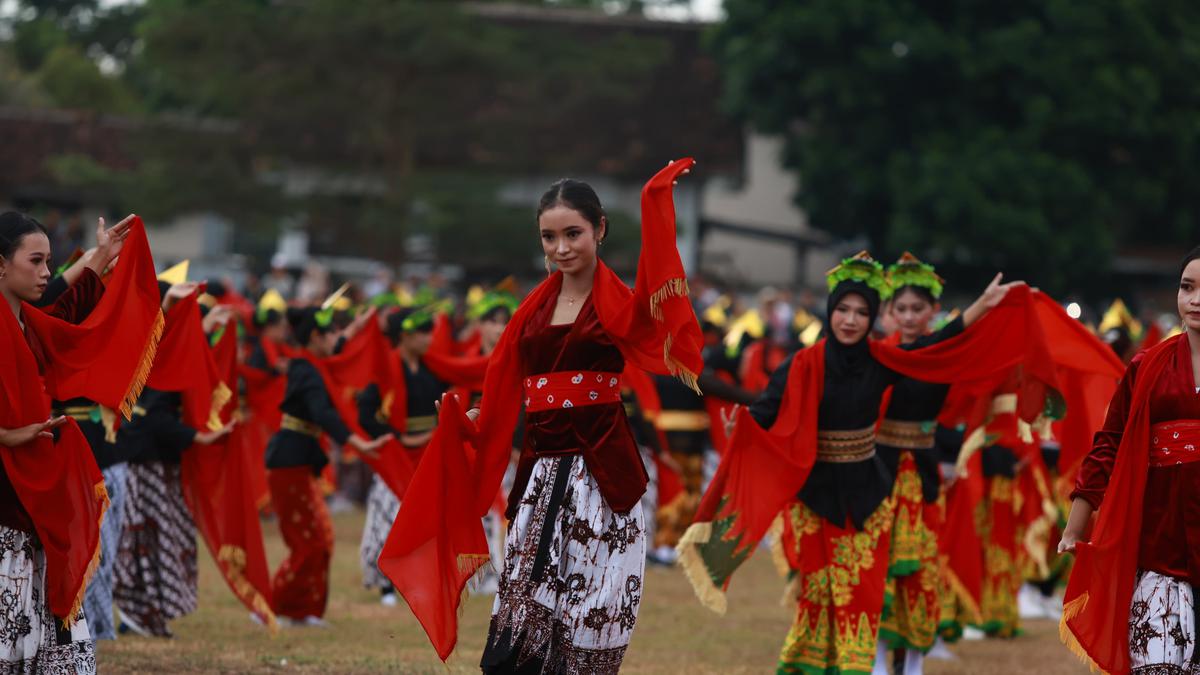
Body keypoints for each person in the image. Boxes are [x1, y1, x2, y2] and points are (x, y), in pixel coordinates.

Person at [380, 159, 704, 671]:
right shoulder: (531, 311)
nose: (561, 249)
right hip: (540, 479)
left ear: (599, 229)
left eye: (573, 233)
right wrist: (469, 417)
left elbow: (657, 304)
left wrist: (654, 206)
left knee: (591, 612)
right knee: (523, 620)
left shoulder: (618, 305)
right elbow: (509, 387)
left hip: (603, 481)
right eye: (549, 238)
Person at [0, 211, 150, 672]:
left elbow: (62, 298)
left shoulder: (29, 321)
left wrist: (103, 254)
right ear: (1, 265)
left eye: (49, 261)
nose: (47, 271)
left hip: (33, 494)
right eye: (36, 261)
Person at [1059, 246, 1200, 674]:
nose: (1195, 299)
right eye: (1187, 287)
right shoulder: (1147, 366)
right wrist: (1075, 527)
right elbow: (1109, 445)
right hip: (1159, 545)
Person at [265, 306, 389, 626]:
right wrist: (356, 441)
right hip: (288, 460)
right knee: (308, 541)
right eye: (332, 332)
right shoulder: (306, 370)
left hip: (299, 459)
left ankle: (302, 610)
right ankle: (272, 605)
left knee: (319, 538)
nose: (338, 337)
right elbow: (323, 413)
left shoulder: (313, 363)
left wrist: (357, 327)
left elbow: (338, 349)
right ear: (316, 337)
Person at [357, 306, 444, 606]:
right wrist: (398, 438)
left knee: (425, 518)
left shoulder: (434, 367)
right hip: (396, 455)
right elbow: (365, 414)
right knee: (387, 514)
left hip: (428, 452)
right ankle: (385, 584)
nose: (429, 338)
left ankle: (418, 580)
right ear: (405, 336)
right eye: (423, 333)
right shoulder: (384, 370)